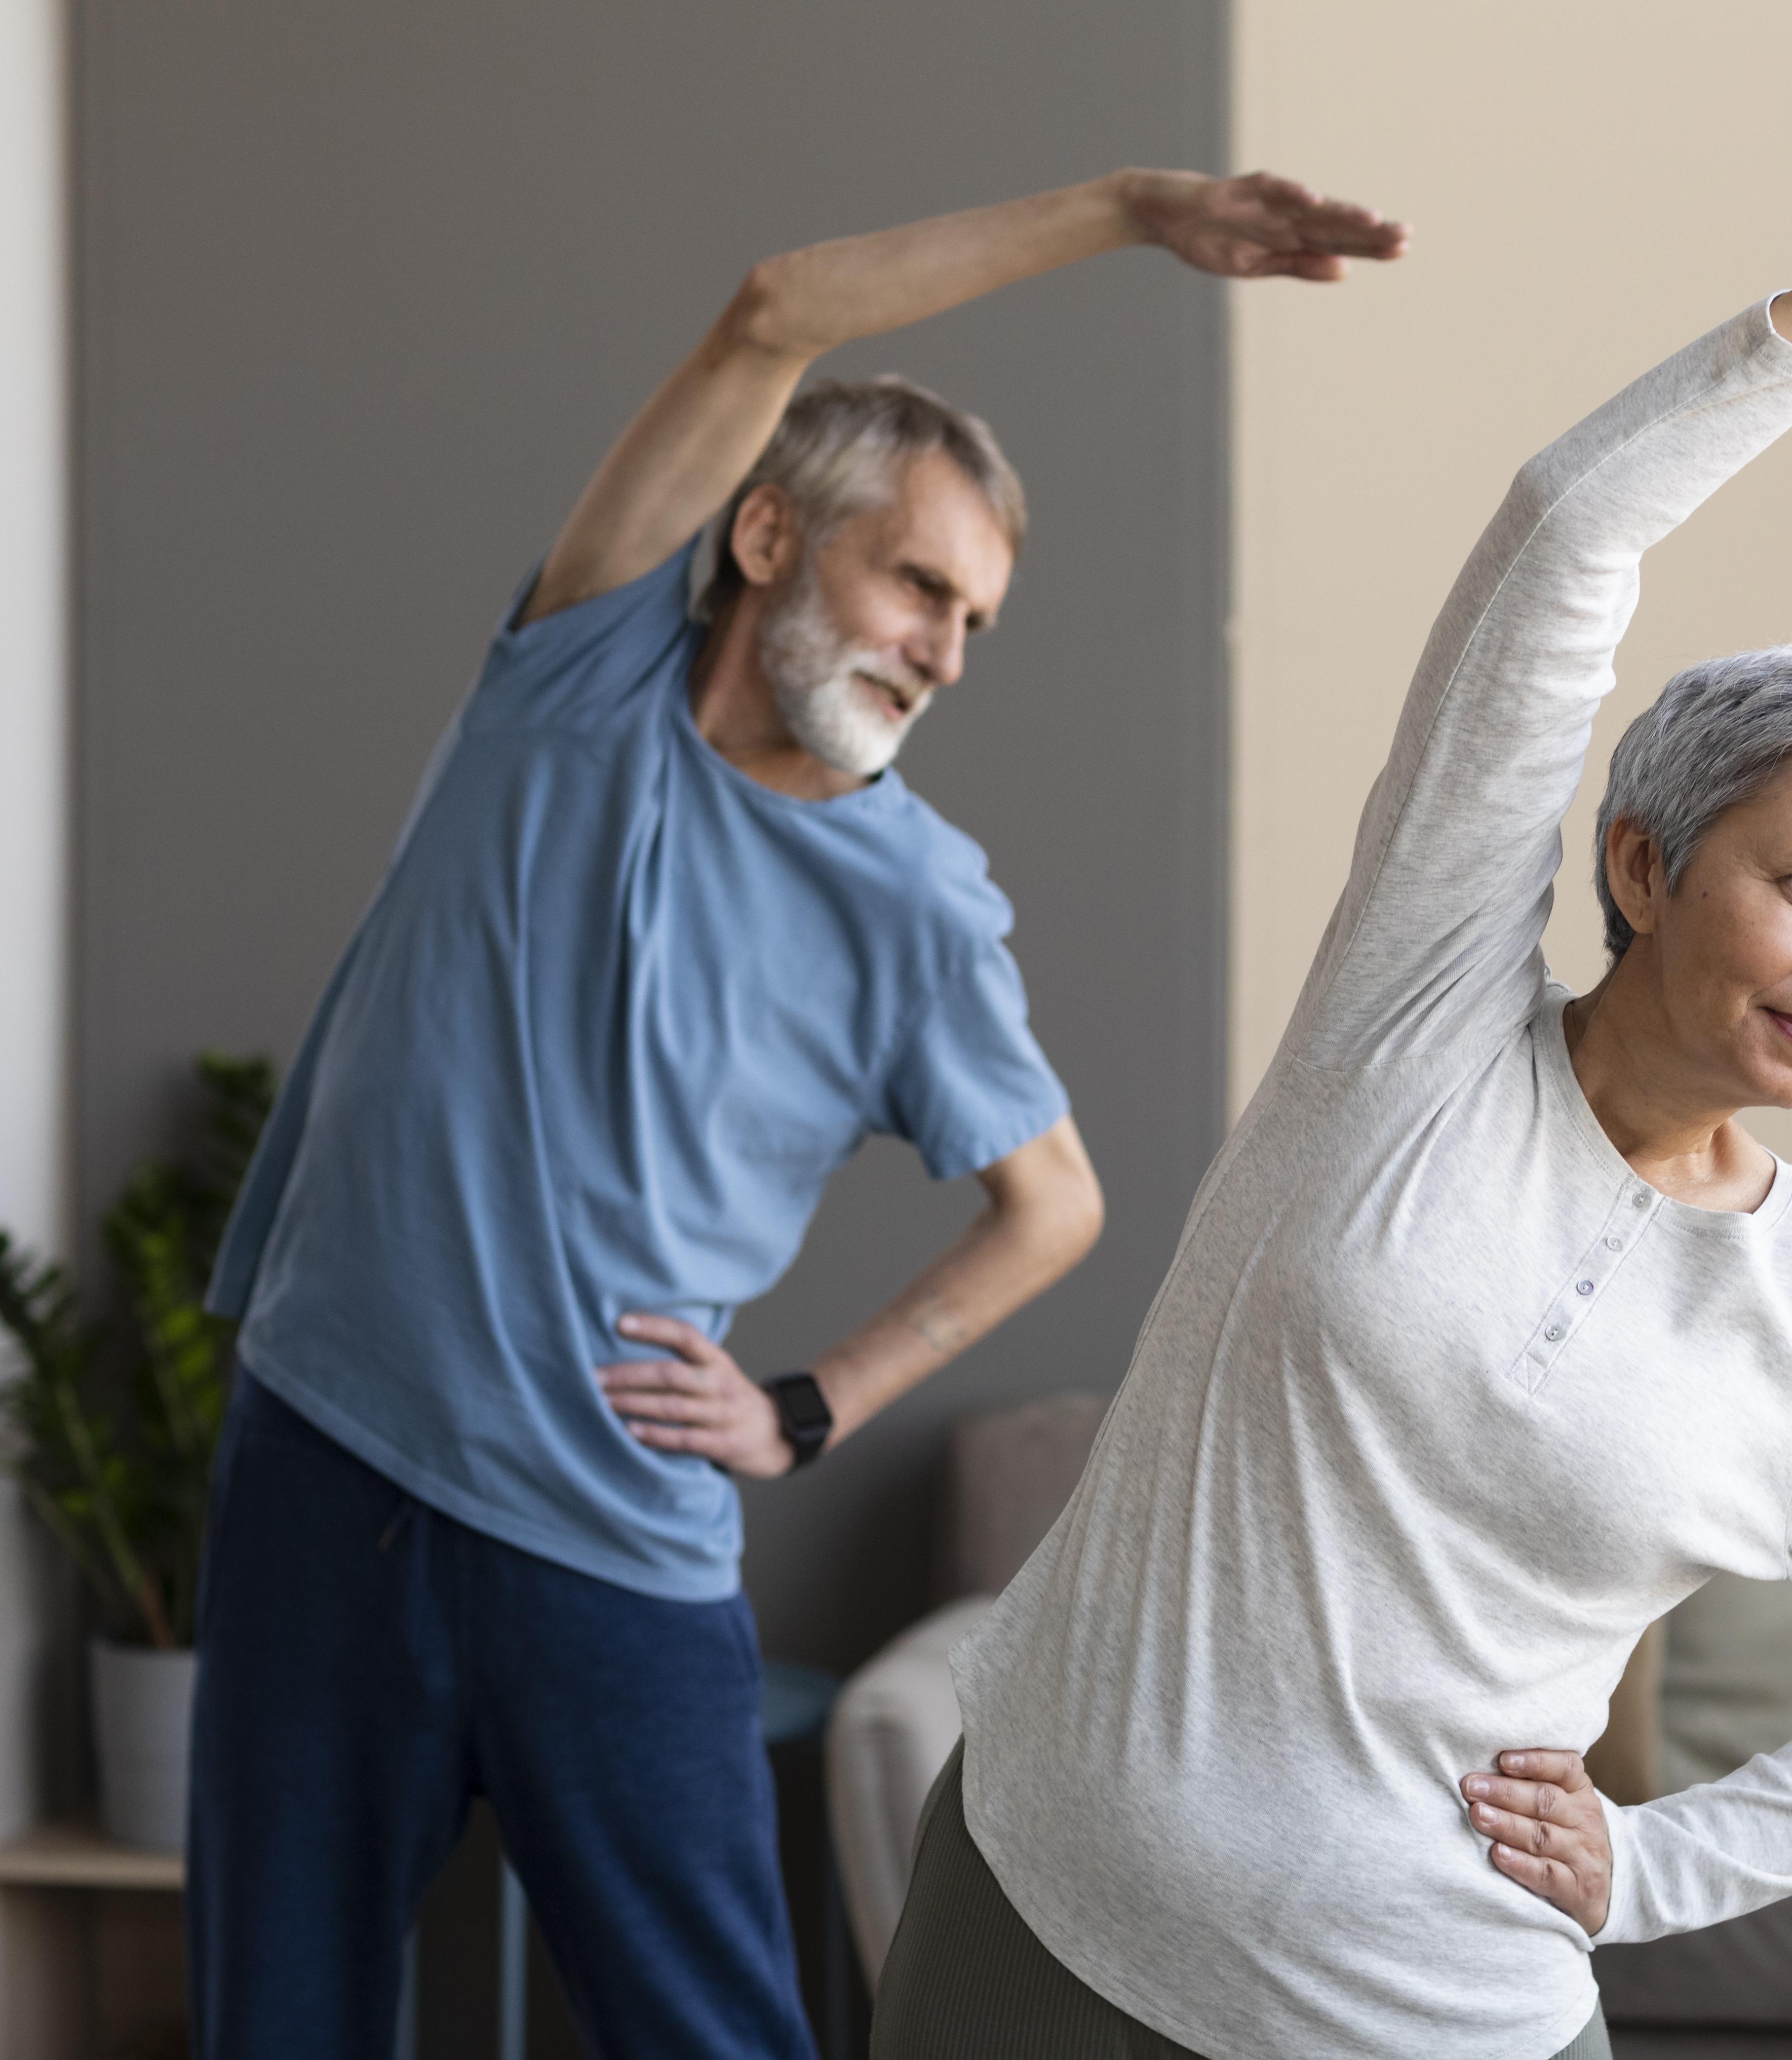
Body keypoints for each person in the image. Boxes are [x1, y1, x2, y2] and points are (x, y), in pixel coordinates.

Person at [872, 191, 1792, 2060]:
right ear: (1640, 860)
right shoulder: (1417, 1023)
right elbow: (1571, 521)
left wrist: (1655, 1866)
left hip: (1431, 2019)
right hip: (1034, 1933)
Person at [185, 169, 1408, 2058]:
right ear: (766, 532)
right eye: (918, 583)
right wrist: (1136, 213)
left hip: (607, 1545)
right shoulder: (574, 675)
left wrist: (806, 1404)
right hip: (326, 1469)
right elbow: (774, 309)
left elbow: (1055, 1201)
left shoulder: (918, 903)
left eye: (974, 621)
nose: (941, 649)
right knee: (278, 2024)